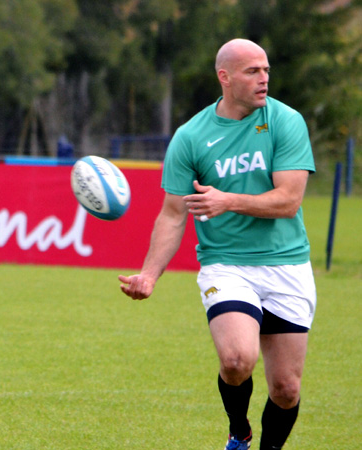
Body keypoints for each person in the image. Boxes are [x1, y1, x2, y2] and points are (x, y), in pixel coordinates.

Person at [119, 39, 316, 450]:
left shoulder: (286, 121)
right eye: (252, 72)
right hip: (226, 265)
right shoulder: (191, 136)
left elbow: (288, 200)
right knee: (236, 361)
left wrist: (227, 200)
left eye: (266, 70)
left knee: (286, 389)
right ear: (224, 78)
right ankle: (239, 430)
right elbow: (173, 214)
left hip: (287, 265)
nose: (264, 79)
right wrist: (150, 275)